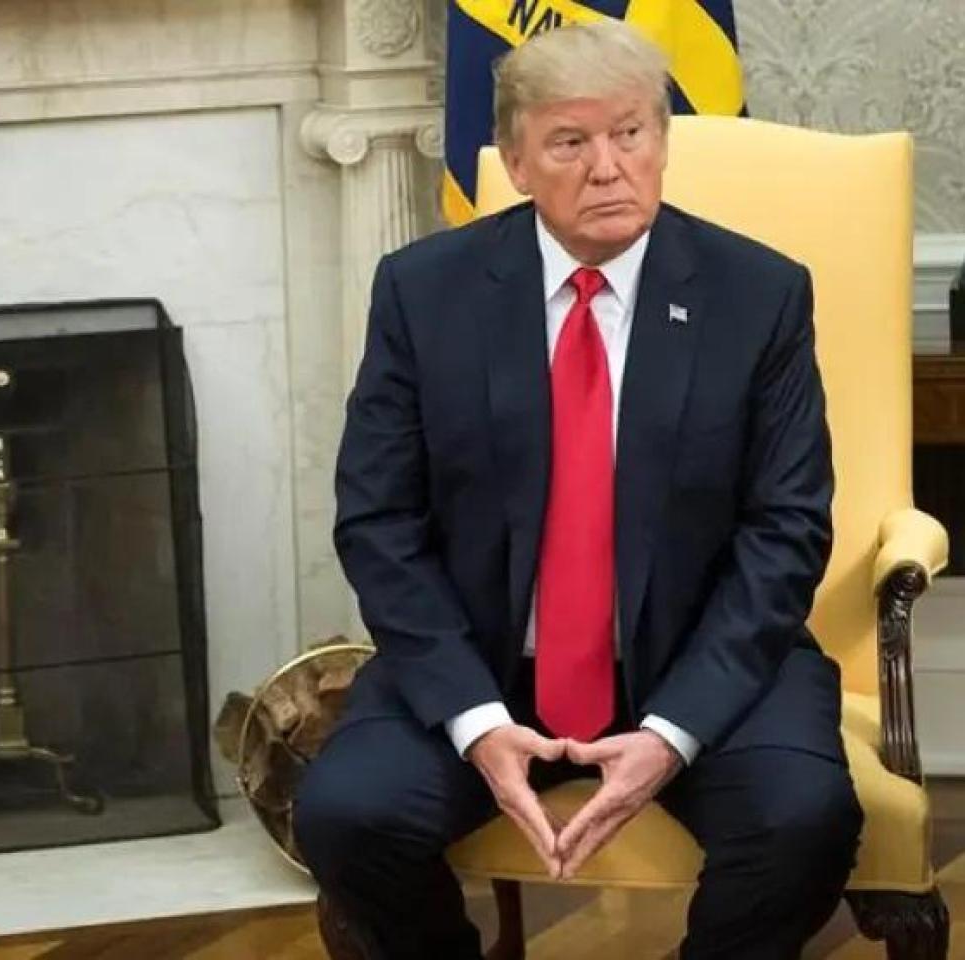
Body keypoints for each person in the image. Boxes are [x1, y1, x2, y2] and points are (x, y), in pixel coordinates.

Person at [293, 19, 861, 959]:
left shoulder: (757, 295)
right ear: (515, 163)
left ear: (663, 141)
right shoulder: (423, 292)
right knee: (348, 815)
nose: (609, 167)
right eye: (570, 141)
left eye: (631, 133)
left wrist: (673, 731)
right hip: (486, 659)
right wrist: (477, 723)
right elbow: (379, 522)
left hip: (700, 654)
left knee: (803, 819)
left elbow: (786, 531)